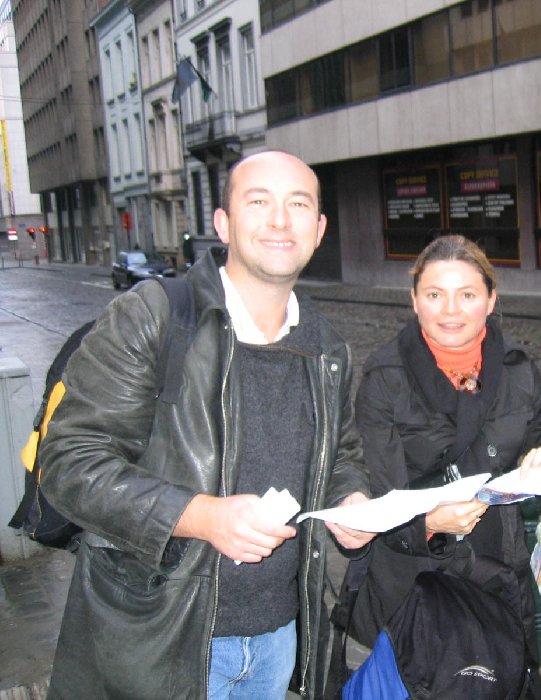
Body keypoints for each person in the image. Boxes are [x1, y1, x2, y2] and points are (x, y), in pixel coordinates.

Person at [39, 150, 374, 699]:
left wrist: (351, 498)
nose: (279, 220)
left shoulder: (327, 348)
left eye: (297, 205)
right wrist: (202, 516)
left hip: (278, 637)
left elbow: (341, 454)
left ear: (318, 231)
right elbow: (69, 462)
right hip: (161, 635)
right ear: (223, 223)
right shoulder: (154, 316)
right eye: (258, 201)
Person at [347, 234, 541, 696]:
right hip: (417, 592)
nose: (450, 310)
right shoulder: (385, 378)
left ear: (491, 300)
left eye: (467, 295)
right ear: (414, 300)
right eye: (435, 295)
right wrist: (429, 523)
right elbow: (376, 497)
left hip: (500, 576)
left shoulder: (518, 370)